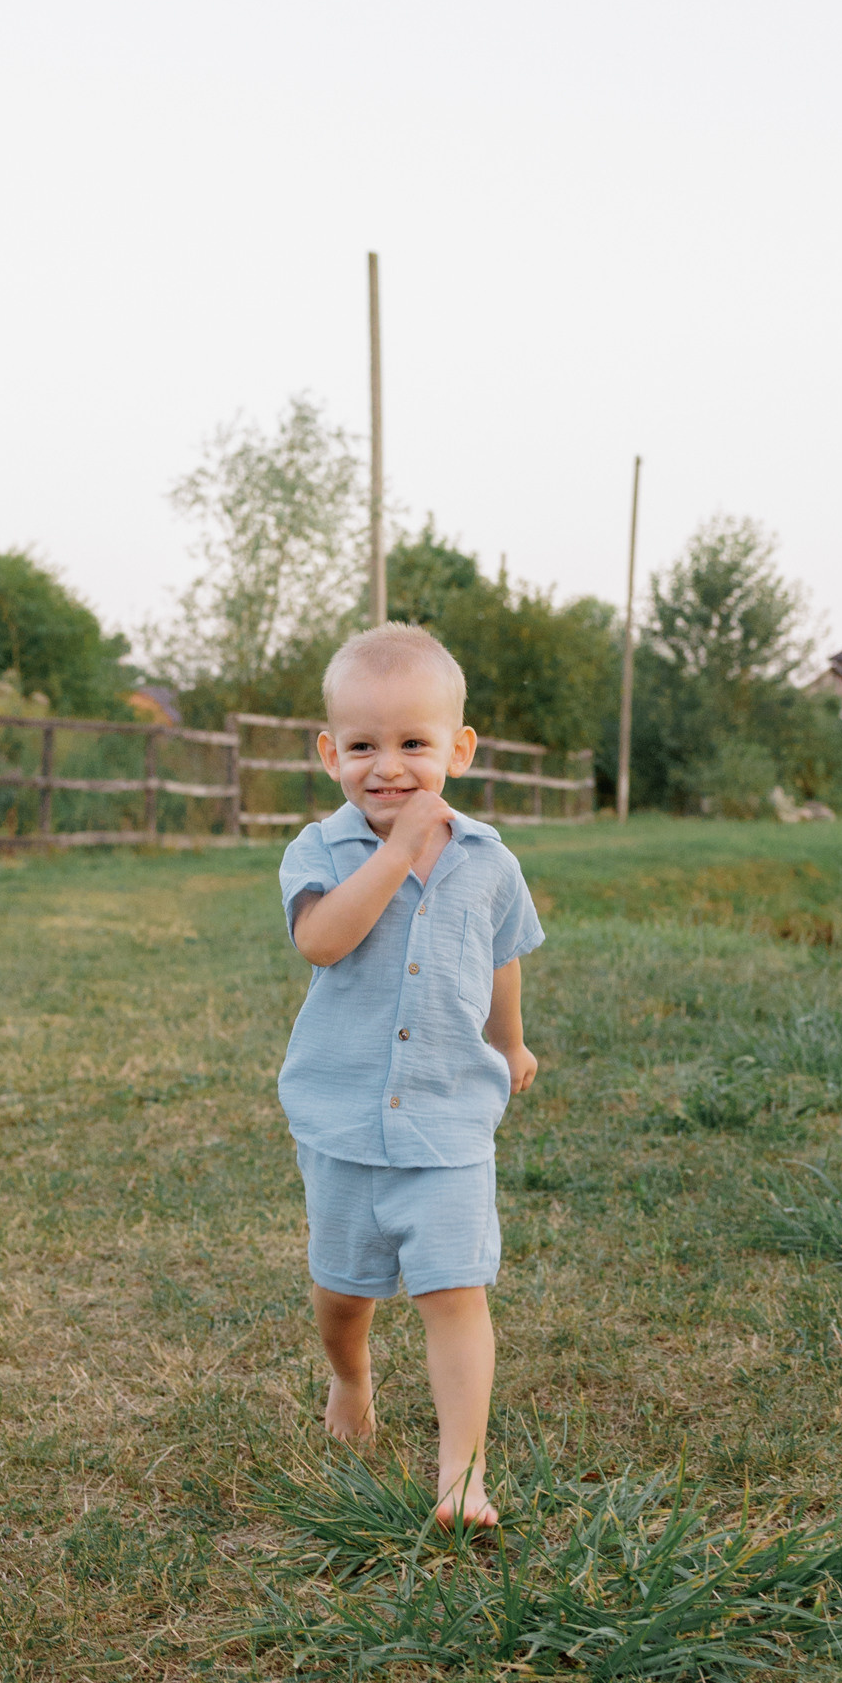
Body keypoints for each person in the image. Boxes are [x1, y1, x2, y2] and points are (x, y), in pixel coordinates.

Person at [277, 621, 544, 1529]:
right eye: (363, 746)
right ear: (330, 753)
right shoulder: (319, 851)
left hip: (447, 1121)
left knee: (453, 1290)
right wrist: (396, 854)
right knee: (344, 1291)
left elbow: (501, 956)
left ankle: (461, 1476)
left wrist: (509, 1046)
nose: (387, 768)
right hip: (344, 1119)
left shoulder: (489, 862)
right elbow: (322, 939)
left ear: (458, 751)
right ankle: (350, 1379)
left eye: (413, 745)